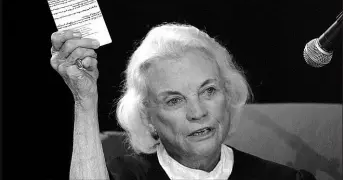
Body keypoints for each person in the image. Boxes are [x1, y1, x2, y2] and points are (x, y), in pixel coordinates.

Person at [50, 23, 317, 180]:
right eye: (174, 100)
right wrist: (85, 100)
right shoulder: (123, 176)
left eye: (209, 91)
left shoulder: (285, 179)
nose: (198, 112)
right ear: (147, 117)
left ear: (228, 94)